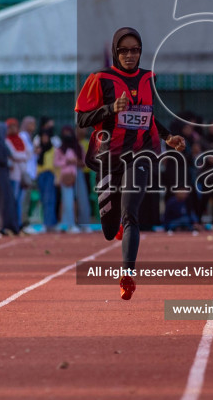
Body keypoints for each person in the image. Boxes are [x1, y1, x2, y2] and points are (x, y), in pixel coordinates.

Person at [75, 25, 187, 300]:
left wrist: (168, 136)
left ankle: (127, 273)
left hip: (142, 153)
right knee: (110, 229)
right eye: (123, 50)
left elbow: (147, 115)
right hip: (109, 157)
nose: (129, 55)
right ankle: (114, 224)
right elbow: (81, 120)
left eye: (135, 50)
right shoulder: (100, 79)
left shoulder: (149, 78)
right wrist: (110, 109)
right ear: (115, 52)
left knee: (131, 213)